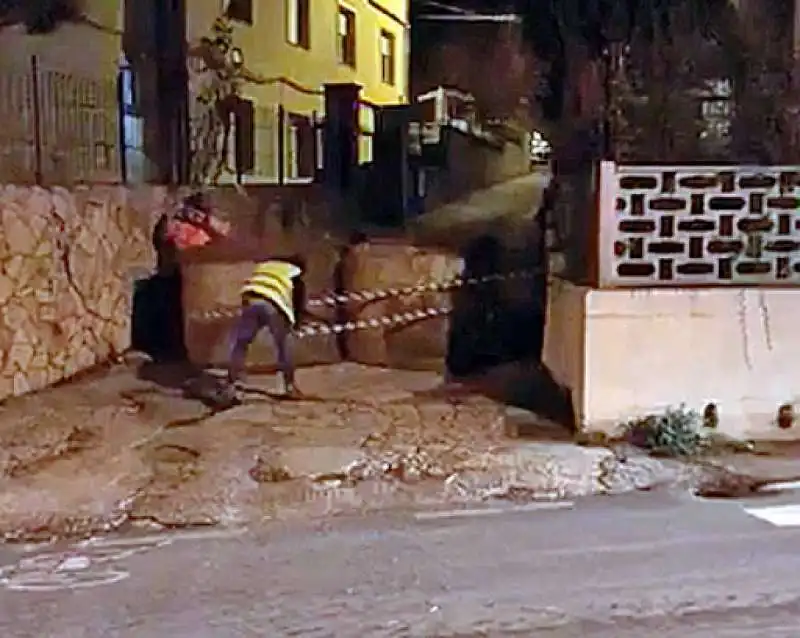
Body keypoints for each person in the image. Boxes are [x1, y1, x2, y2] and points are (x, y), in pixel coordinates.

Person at [227, 255, 308, 397]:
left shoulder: (265, 266)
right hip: (274, 303)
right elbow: (298, 300)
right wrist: (296, 322)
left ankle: (231, 385)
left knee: (241, 343)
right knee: (284, 345)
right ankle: (290, 387)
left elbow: (255, 284)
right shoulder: (294, 271)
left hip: (251, 299)